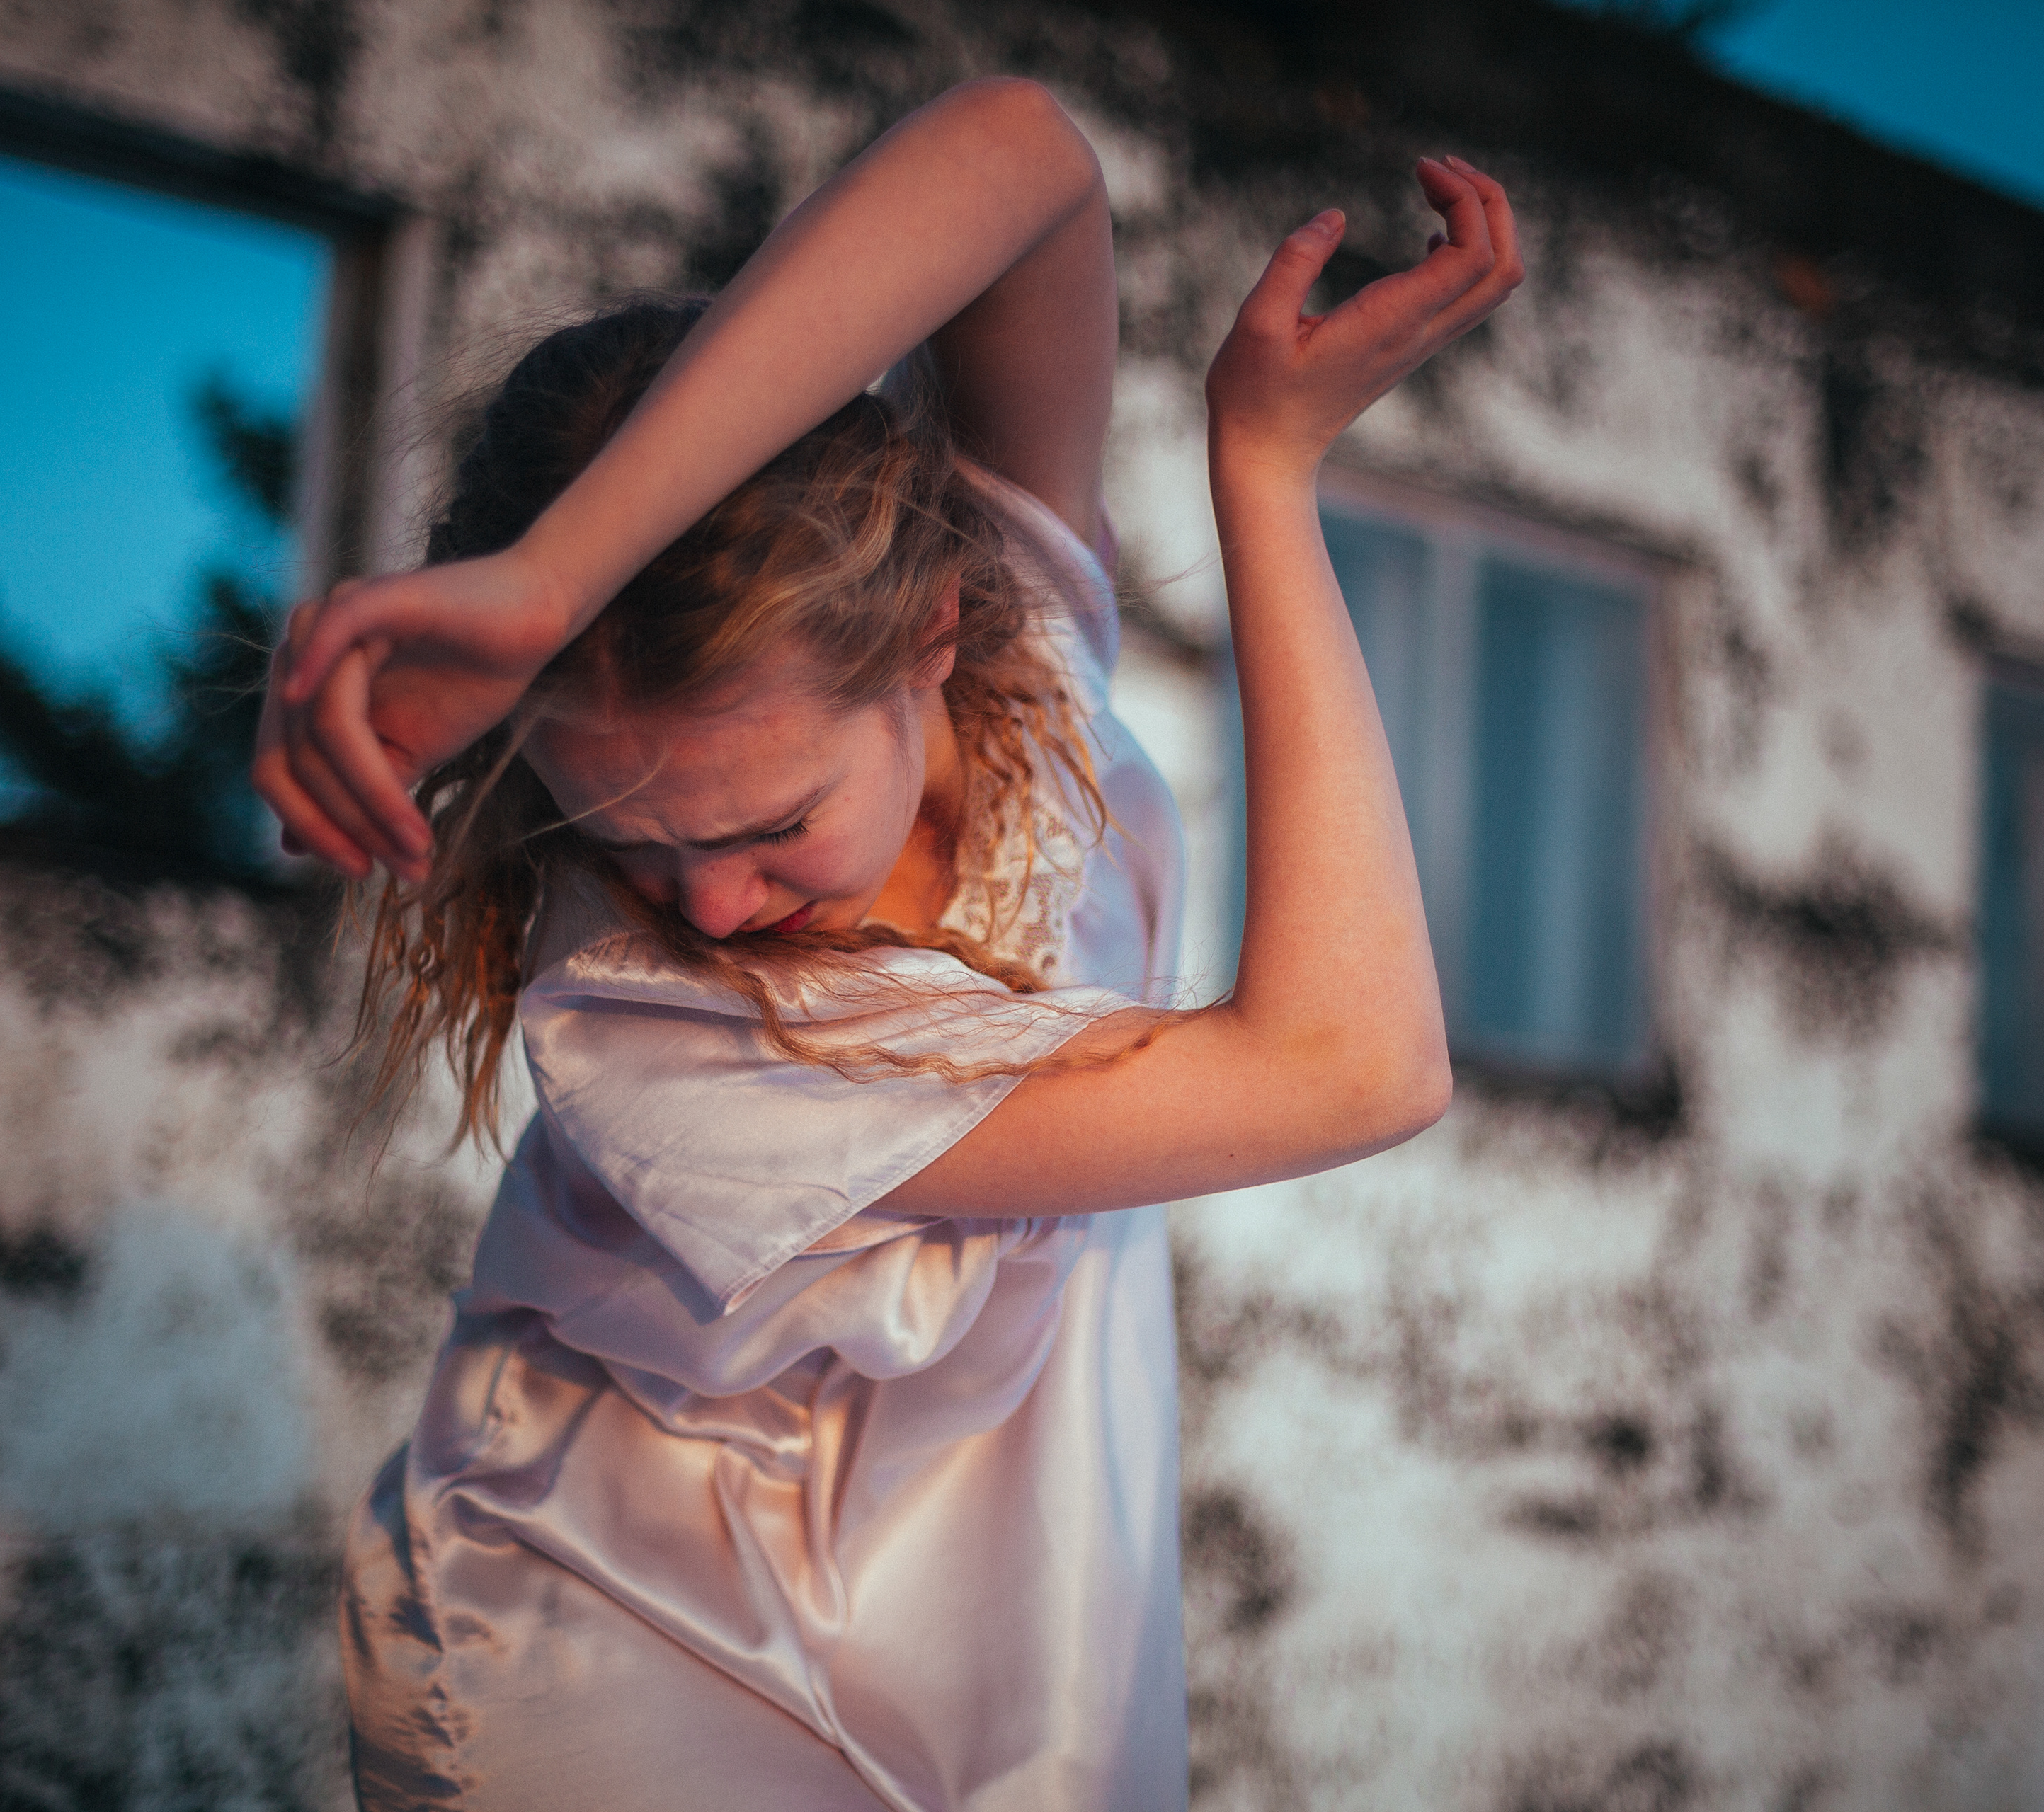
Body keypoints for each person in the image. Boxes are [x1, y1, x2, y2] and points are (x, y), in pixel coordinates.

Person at [256, 76, 1521, 1812]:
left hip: (969, 1647)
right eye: (623, 836)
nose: (708, 903)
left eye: (770, 822)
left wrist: (556, 576)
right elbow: (1355, 1065)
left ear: (932, 632)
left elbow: (1023, 156)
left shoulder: (1016, 621)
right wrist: (1269, 470)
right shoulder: (650, 1025)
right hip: (621, 1665)